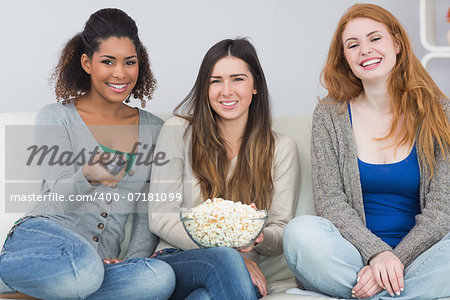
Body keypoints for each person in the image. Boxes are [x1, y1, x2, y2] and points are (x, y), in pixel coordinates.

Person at [0, 8, 175, 300]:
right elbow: (60, 193)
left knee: (158, 278)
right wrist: (88, 174)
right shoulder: (57, 117)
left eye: (129, 62)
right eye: (108, 61)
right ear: (87, 63)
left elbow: (147, 212)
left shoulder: (156, 130)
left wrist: (132, 260)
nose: (120, 73)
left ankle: (39, 293)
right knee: (85, 271)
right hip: (45, 237)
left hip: (100, 264)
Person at [283, 3, 450, 300]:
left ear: (396, 44)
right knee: (300, 232)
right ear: (345, 58)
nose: (365, 50)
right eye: (353, 44)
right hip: (350, 259)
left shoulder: (439, 113)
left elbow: (442, 210)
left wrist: (393, 260)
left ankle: (375, 293)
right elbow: (330, 203)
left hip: (420, 258)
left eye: (375, 39)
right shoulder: (329, 116)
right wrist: (376, 255)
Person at [148, 38, 300, 299]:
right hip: (178, 260)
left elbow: (281, 230)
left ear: (255, 86)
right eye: (215, 81)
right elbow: (161, 216)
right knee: (226, 262)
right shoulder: (178, 131)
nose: (226, 90)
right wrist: (229, 254)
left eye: (237, 79)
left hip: (239, 272)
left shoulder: (281, 148)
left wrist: (259, 235)